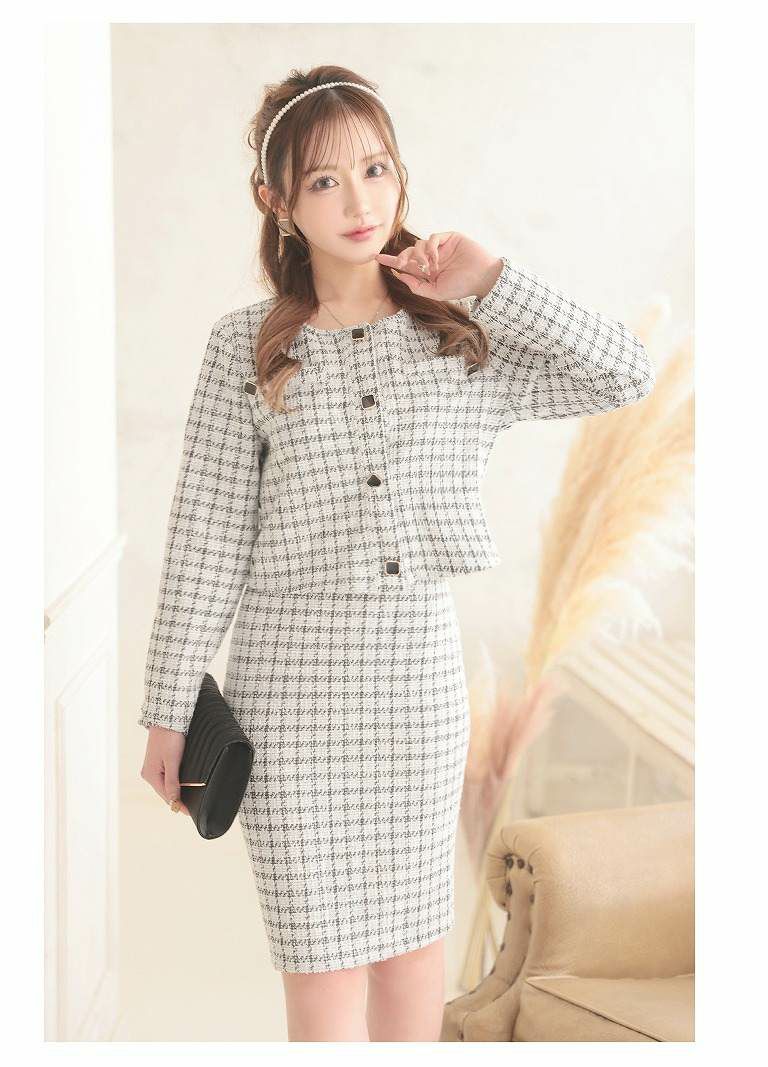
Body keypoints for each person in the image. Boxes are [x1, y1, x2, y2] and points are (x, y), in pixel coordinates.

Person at [138, 64, 655, 1042]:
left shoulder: (458, 335)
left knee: (414, 967)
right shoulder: (245, 347)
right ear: (277, 201)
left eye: (376, 169)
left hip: (413, 692)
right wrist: (167, 707)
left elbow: (624, 370)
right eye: (325, 180)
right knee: (320, 976)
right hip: (286, 698)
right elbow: (206, 531)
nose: (359, 201)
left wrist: (492, 279)